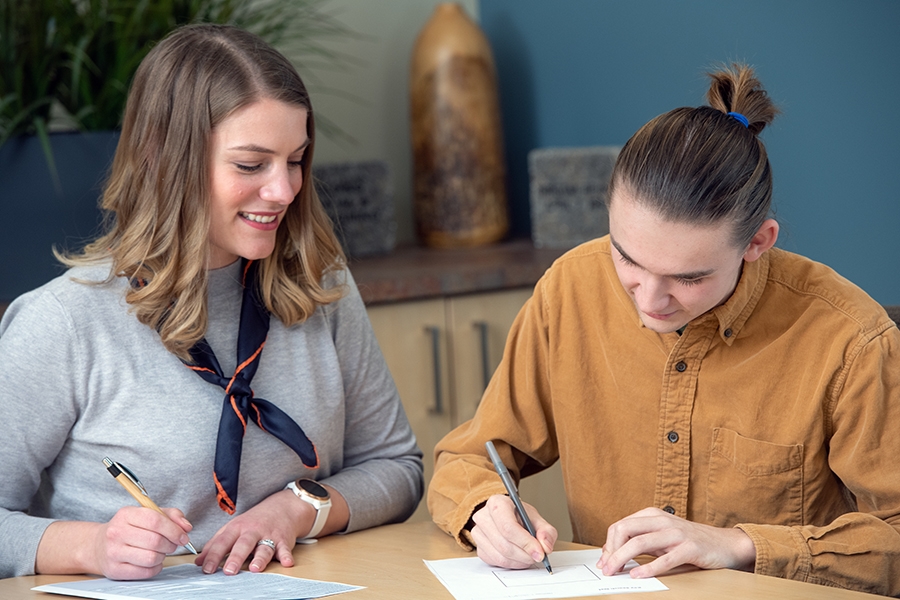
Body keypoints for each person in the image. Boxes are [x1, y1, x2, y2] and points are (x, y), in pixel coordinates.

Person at [428, 64, 900, 596]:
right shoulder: (570, 290)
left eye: (689, 277)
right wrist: (483, 512)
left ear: (758, 243)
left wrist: (739, 545)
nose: (648, 302)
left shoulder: (851, 340)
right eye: (626, 258)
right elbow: (467, 456)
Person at [0, 24, 423, 580]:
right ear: (162, 158)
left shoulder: (322, 288)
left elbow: (398, 468)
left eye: (295, 159)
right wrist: (91, 547)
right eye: (251, 165)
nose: (284, 190)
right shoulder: (61, 324)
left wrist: (294, 509)